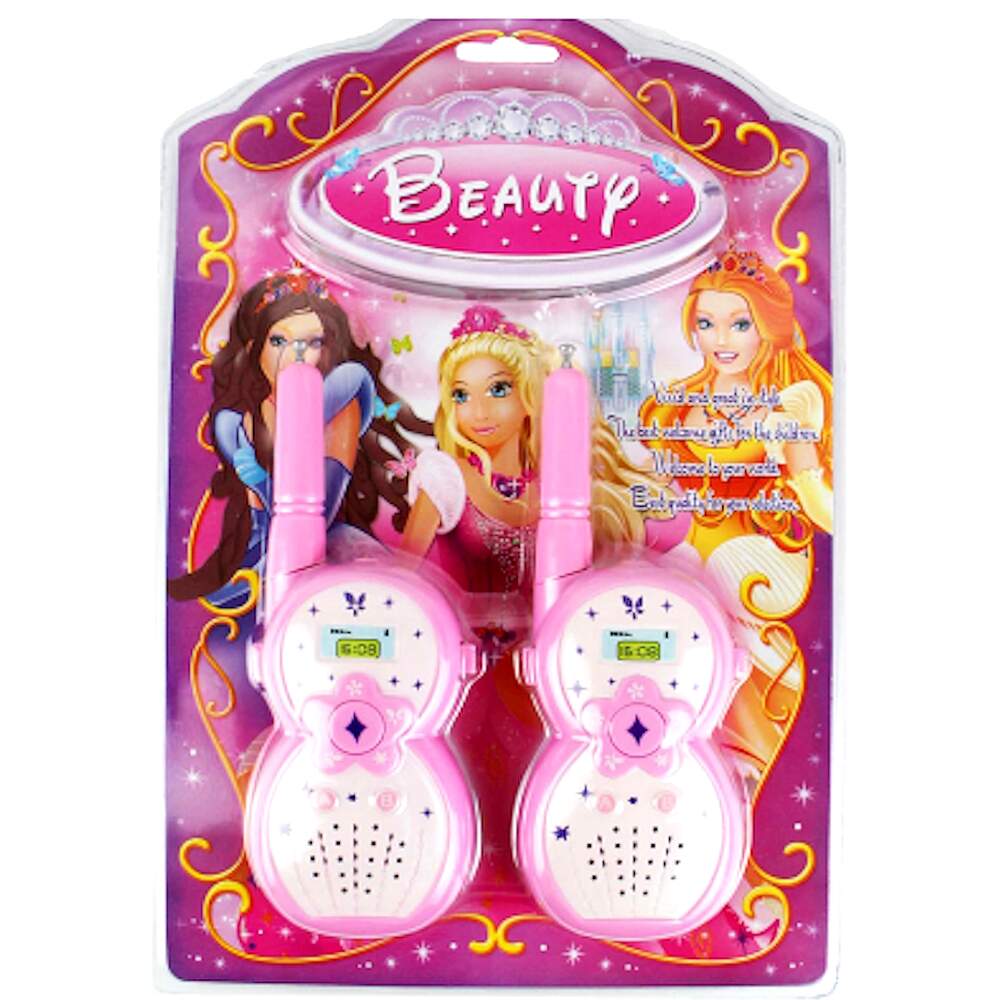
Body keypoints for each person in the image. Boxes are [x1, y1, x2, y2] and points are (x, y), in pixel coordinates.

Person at [638, 246, 833, 768]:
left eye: (738, 324)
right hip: (688, 570)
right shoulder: (677, 403)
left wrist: (809, 479)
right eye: (706, 323)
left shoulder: (787, 404)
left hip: (753, 572)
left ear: (766, 326)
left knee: (752, 706)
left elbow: (818, 502)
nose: (720, 340)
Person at [168, 270, 430, 608]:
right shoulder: (233, 424)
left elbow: (325, 504)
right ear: (255, 347)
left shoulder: (345, 389)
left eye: (313, 342)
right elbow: (259, 509)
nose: (298, 354)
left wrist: (296, 424)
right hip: (271, 549)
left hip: (329, 544)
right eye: (279, 341)